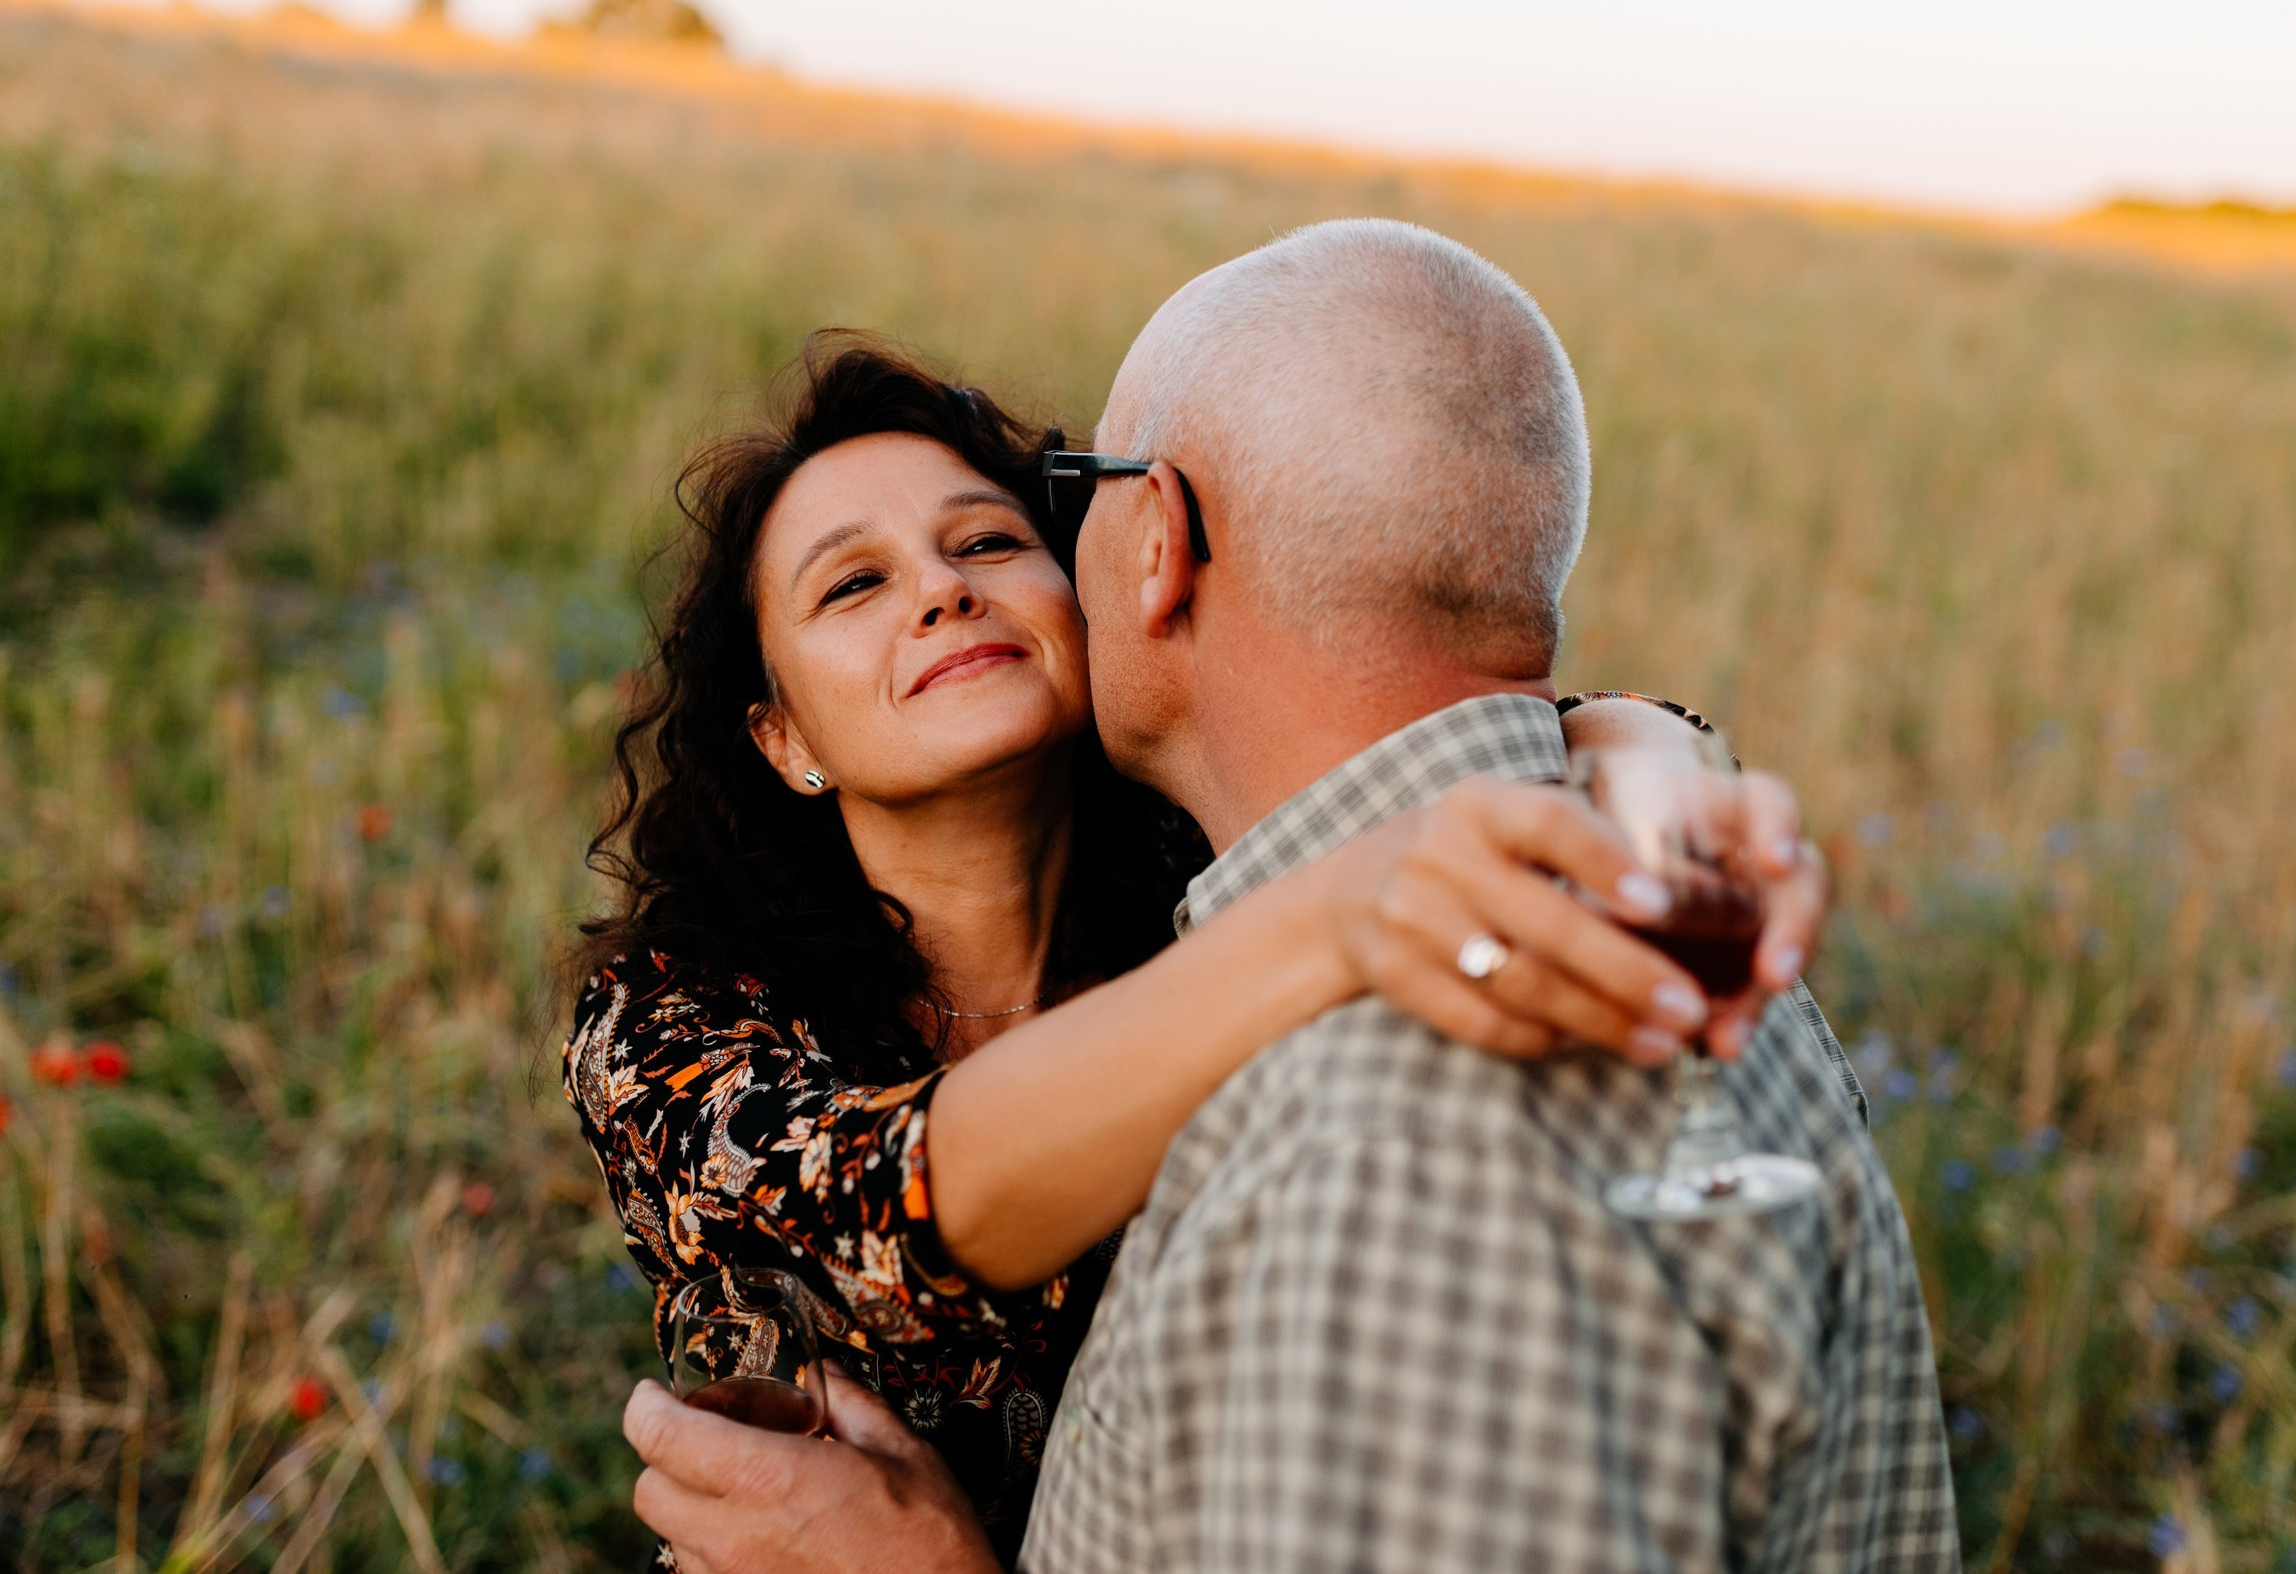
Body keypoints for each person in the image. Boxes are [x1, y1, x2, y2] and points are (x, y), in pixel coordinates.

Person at [619, 221, 1956, 1574]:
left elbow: (1465, 708)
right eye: (854, 584)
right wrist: (1338, 909)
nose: (943, 593)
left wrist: (1652, 756)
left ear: (1138, 562)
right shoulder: (679, 1018)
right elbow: (882, 1208)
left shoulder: (1235, 886)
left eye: (993, 539)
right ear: (777, 734)